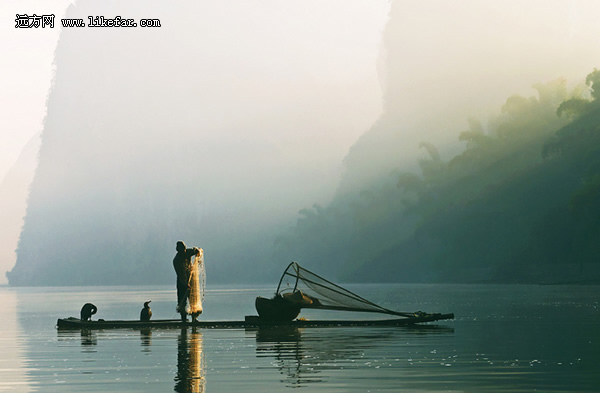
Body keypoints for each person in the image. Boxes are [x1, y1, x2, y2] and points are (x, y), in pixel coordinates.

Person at [173, 240, 201, 322]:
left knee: (193, 299)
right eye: (182, 251)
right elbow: (179, 274)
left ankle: (194, 318)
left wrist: (197, 251)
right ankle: (184, 318)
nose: (184, 252)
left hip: (191, 279)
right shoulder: (176, 260)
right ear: (178, 250)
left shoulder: (188, 252)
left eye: (184, 249)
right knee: (182, 300)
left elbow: (197, 250)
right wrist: (185, 284)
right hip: (181, 282)